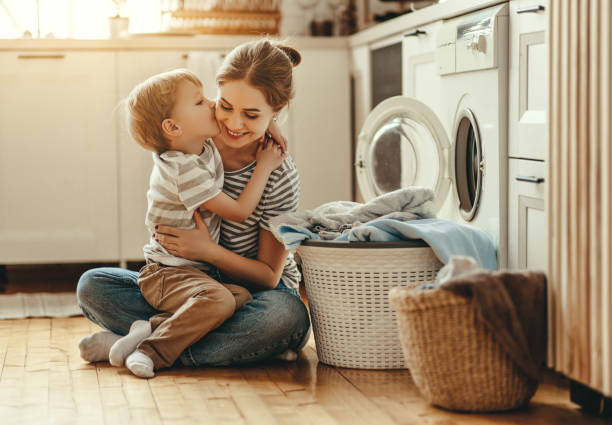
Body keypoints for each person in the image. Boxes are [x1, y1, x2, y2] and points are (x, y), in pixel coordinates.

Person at [76, 39, 311, 370]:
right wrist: (263, 118)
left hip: (253, 293)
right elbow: (157, 118)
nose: (234, 124)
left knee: (285, 317)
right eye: (226, 105)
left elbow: (269, 278)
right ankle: (176, 342)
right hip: (190, 284)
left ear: (278, 110)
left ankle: (144, 343)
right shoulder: (199, 131)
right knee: (93, 286)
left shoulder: (277, 173)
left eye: (252, 114)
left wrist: (207, 251)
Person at [107, 68, 286, 378]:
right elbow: (239, 212)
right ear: (174, 126)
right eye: (200, 102)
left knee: (241, 298)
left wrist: (268, 118)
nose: (214, 105)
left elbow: (239, 116)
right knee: (220, 301)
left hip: (195, 274)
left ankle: (149, 329)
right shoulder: (181, 168)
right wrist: (264, 167)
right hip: (168, 275)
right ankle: (153, 351)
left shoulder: (196, 145)